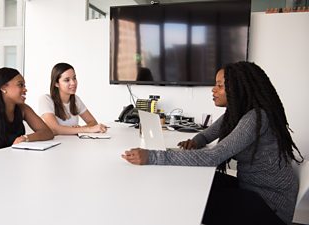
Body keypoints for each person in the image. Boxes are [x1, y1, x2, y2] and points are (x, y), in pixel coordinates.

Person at [122, 61, 303, 225]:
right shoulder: (236, 114)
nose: (213, 90)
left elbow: (213, 156)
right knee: (192, 182)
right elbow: (207, 135)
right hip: (252, 187)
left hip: (270, 206)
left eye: (219, 85)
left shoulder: (255, 117)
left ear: (238, 88)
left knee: (192, 201)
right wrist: (195, 141)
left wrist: (153, 156)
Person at [39, 62, 107, 135]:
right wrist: (84, 129)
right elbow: (55, 129)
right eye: (67, 80)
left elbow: (93, 122)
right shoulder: (46, 99)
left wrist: (79, 129)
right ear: (56, 83)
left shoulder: (76, 100)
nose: (73, 83)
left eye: (74, 78)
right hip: (55, 145)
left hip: (73, 144)